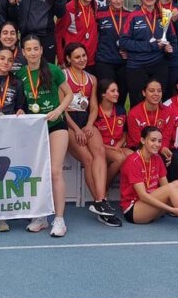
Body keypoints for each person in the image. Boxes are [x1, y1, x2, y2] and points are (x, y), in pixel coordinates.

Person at [18, 35, 73, 237]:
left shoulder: (54, 70)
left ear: (41, 50)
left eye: (36, 49)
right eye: (28, 49)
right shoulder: (21, 73)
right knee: (37, 173)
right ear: (23, 52)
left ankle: (59, 219)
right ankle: (41, 216)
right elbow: (21, 101)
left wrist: (59, 110)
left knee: (55, 171)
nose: (32, 53)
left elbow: (69, 94)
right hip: (34, 130)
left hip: (56, 125)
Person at [61, 43, 121, 226]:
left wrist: (88, 125)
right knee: (87, 158)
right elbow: (61, 108)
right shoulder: (63, 76)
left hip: (85, 121)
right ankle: (100, 202)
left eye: (84, 56)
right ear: (69, 59)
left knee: (100, 152)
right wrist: (76, 129)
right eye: (77, 57)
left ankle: (100, 201)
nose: (82, 60)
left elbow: (94, 107)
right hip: (69, 122)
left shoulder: (92, 79)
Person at [120, 0, 176, 108]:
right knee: (138, 103)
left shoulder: (164, 14)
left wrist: (170, 49)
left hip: (158, 65)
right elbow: (124, 42)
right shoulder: (133, 16)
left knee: (158, 103)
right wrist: (150, 46)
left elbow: (172, 39)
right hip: (137, 66)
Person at [94, 0, 130, 105]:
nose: (118, 0)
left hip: (123, 63)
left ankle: (118, 122)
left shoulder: (129, 15)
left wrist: (129, 51)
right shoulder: (99, 14)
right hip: (105, 61)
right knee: (106, 96)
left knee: (121, 95)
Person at [55, 0, 100, 67]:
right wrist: (61, 60)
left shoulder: (95, 6)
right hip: (73, 62)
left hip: (91, 61)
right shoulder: (69, 8)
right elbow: (58, 35)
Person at [94, 78, 130, 187]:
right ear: (103, 94)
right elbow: (94, 140)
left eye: (117, 91)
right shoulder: (95, 112)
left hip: (117, 146)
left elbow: (124, 133)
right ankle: (103, 188)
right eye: (113, 91)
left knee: (135, 156)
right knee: (119, 158)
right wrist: (112, 148)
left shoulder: (121, 110)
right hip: (101, 148)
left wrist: (118, 145)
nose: (117, 94)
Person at [154, 0, 178, 97]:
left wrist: (176, 21)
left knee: (170, 95)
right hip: (154, 57)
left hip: (173, 59)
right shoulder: (153, 8)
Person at [127, 79, 164, 149]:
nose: (156, 94)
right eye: (152, 91)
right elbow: (137, 140)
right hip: (139, 149)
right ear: (144, 93)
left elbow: (166, 138)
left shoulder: (168, 111)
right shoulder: (133, 114)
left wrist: (161, 148)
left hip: (160, 148)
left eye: (159, 91)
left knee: (176, 159)